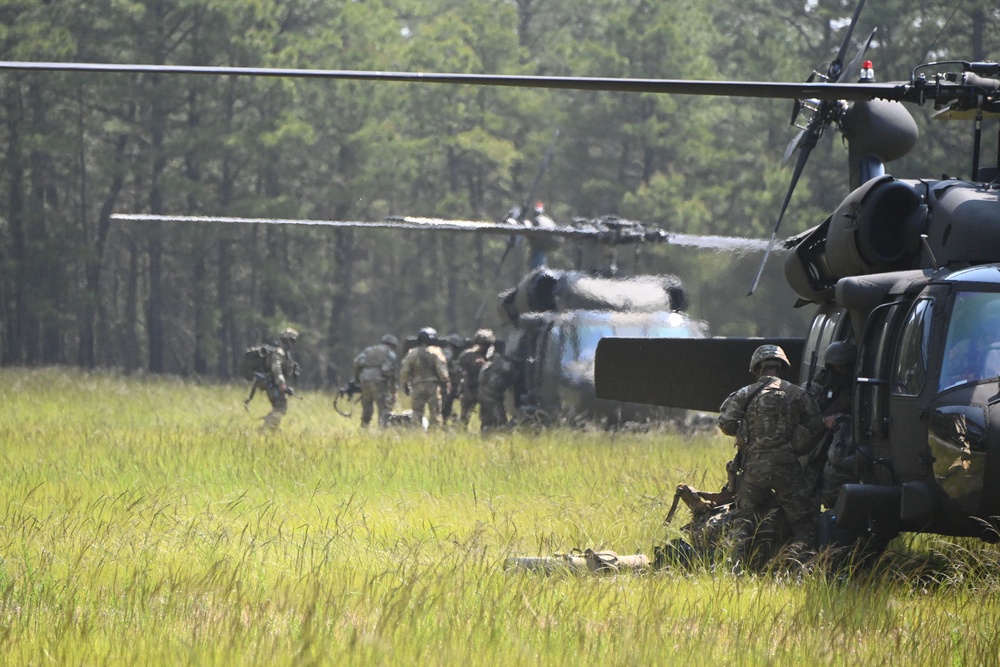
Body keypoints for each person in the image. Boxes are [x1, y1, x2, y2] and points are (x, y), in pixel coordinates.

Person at [718, 344, 823, 560]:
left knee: (743, 522)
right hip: (787, 467)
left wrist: (749, 438)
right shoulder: (796, 393)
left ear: (756, 368)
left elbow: (727, 425)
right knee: (803, 524)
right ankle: (798, 567)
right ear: (781, 367)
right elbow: (816, 425)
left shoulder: (743, 394)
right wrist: (795, 442)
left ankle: (734, 568)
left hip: (754, 468)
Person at [804, 341, 857, 510]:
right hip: (817, 442)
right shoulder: (818, 387)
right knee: (807, 487)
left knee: (833, 485)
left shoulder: (855, 387)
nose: (842, 371)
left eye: (845, 367)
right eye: (838, 367)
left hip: (841, 443)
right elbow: (801, 416)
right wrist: (824, 421)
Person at [399, 327, 450, 428]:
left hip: (417, 386)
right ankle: (434, 432)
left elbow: (405, 370)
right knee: (435, 412)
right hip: (432, 386)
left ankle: (417, 432)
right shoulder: (436, 352)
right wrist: (445, 382)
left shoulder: (412, 352)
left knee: (417, 412)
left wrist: (405, 383)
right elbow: (441, 369)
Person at [352, 334, 399, 428]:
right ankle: (383, 429)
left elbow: (357, 362)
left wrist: (357, 379)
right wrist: (393, 391)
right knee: (384, 408)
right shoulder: (390, 353)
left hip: (365, 379)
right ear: (392, 345)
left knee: (367, 407)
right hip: (379, 381)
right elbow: (392, 374)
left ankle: (364, 428)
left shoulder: (369, 350)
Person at [263, 327, 300, 429]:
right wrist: (281, 383)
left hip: (275, 385)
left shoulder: (285, 353)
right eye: (291, 341)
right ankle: (265, 428)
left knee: (280, 408)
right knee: (280, 408)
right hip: (273, 385)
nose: (292, 343)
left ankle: (272, 429)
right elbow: (276, 367)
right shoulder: (279, 352)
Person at [456, 329, 495, 426]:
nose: (484, 347)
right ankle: (462, 431)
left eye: (486, 344)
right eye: (482, 344)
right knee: (465, 414)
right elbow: (458, 368)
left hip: (485, 389)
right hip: (470, 387)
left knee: (487, 416)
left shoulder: (492, 356)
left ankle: (486, 431)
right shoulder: (468, 355)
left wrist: (485, 365)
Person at [478, 340, 519, 432]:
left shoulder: (488, 363)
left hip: (482, 394)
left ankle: (485, 437)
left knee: (486, 420)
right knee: (501, 421)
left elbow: (481, 379)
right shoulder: (505, 364)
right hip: (494, 396)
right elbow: (515, 377)